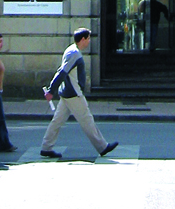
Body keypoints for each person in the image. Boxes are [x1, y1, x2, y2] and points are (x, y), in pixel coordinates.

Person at [40, 28, 118, 159]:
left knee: (57, 121)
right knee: (87, 120)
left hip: (66, 94)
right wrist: (50, 90)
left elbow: (62, 72)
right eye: (88, 39)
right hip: (74, 94)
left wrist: (52, 90)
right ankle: (102, 147)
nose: (89, 42)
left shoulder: (70, 50)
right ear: (82, 39)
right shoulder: (74, 53)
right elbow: (62, 72)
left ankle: (46, 147)